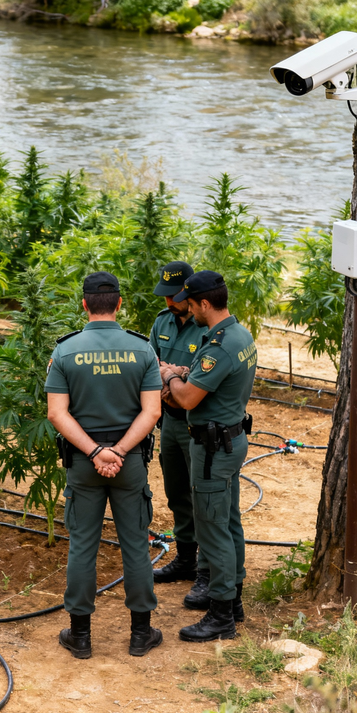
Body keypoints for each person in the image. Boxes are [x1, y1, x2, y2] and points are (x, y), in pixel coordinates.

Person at [45, 271, 162, 659]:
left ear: (84, 304)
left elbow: (57, 414)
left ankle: (80, 636)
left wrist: (96, 453)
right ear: (119, 303)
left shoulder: (65, 352)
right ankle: (141, 633)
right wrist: (121, 451)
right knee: (136, 545)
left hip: (83, 463)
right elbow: (152, 412)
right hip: (129, 465)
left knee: (82, 545)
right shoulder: (143, 350)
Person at [159, 271, 256, 642]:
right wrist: (184, 372)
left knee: (213, 529)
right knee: (229, 522)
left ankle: (220, 617)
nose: (187, 309)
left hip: (213, 448)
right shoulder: (238, 334)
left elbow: (186, 399)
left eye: (191, 302)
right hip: (231, 441)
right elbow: (207, 378)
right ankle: (233, 603)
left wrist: (168, 376)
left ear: (203, 303)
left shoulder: (219, 346)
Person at [149, 262, 211, 612]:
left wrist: (172, 378)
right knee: (176, 493)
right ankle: (186, 558)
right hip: (170, 421)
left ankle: (206, 570)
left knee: (201, 495)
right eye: (167, 296)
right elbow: (150, 365)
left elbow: (196, 383)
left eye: (175, 297)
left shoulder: (206, 327)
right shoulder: (162, 322)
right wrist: (173, 377)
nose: (170, 302)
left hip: (197, 422)